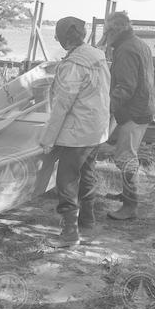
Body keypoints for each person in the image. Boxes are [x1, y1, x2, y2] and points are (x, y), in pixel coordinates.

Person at [39, 16, 110, 247]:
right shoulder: (97, 55)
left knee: (66, 180)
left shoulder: (73, 65)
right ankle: (87, 223)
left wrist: (48, 139)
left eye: (58, 37)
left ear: (64, 38)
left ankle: (70, 233)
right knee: (87, 175)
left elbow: (62, 105)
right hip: (96, 129)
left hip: (77, 133)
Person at [105, 12, 155, 220]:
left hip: (134, 111)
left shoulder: (125, 50)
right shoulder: (139, 44)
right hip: (142, 107)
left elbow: (125, 86)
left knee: (125, 157)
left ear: (115, 30)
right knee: (127, 155)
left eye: (107, 30)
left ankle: (130, 205)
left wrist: (106, 106)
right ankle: (127, 195)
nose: (105, 34)